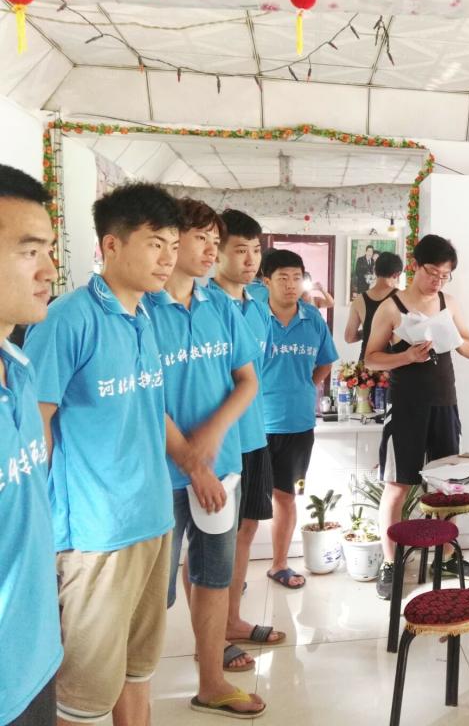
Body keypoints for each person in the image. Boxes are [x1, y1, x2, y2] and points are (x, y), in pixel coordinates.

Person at [24, 183, 182, 726]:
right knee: (84, 697)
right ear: (111, 245)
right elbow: (36, 425)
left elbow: (148, 411)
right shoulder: (67, 319)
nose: (168, 258)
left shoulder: (145, 316)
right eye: (155, 244)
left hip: (153, 518)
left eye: (173, 245)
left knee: (137, 672)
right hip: (96, 535)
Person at [143, 199, 264, 718]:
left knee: (215, 577)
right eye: (201, 239)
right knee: (154, 595)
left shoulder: (220, 306)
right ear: (172, 241)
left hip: (222, 471)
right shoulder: (144, 309)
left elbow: (247, 381)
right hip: (161, 476)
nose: (212, 250)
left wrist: (212, 436)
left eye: (217, 240)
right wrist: (192, 463)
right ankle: (134, 702)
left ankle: (212, 682)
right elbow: (144, 398)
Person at [364, 234, 469, 600]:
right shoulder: (392, 307)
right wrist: (406, 356)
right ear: (415, 266)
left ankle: (444, 558)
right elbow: (370, 358)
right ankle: (390, 563)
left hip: (444, 404)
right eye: (433, 273)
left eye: (445, 275)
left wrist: (454, 339)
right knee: (397, 486)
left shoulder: (448, 302)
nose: (438, 281)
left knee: (447, 485)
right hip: (406, 408)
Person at [207, 208, 286, 658]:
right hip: (219, 439)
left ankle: (232, 619)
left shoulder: (256, 306)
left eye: (256, 250)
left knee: (247, 527)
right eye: (240, 250)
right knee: (212, 540)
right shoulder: (202, 305)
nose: (251, 259)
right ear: (215, 253)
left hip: (255, 433)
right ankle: (210, 638)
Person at [0, 165, 61, 726]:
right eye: (29, 251)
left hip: (36, 657)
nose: (49, 270)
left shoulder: (18, 369)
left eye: (49, 250)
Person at [261, 249, 339, 589]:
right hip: (255, 424)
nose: (291, 285)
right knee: (244, 506)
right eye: (283, 278)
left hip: (298, 423)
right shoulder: (253, 317)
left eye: (296, 278)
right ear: (266, 281)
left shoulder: (312, 319)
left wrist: (308, 384)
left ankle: (279, 565)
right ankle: (232, 576)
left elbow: (326, 361)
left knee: (286, 497)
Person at [344, 251, 403, 362]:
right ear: (397, 274)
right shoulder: (402, 297)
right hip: (391, 363)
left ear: (375, 270)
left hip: (366, 365)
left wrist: (368, 331)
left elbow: (349, 337)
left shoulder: (359, 300)